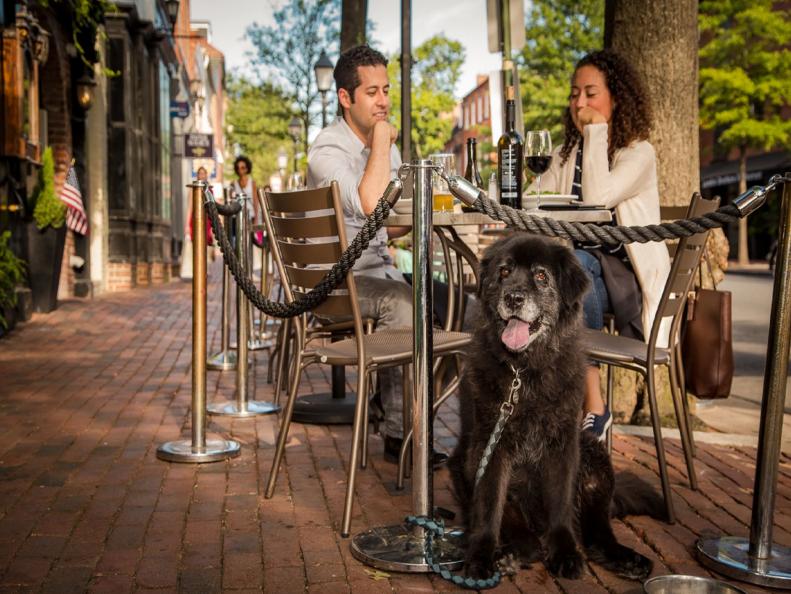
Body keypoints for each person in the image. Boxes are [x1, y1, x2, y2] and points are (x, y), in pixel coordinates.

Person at [307, 44, 446, 466]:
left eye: (386, 90)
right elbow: (371, 203)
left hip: (381, 273)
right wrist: (382, 141)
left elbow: (392, 225)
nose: (384, 101)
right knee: (405, 305)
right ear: (345, 98)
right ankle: (399, 436)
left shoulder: (385, 148)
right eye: (372, 92)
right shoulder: (326, 151)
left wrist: (431, 204)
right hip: (335, 284)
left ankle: (428, 421)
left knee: (464, 307)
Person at [527, 50, 671, 441]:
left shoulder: (638, 153)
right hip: (579, 278)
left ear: (617, 98)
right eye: (575, 94)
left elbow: (598, 196)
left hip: (625, 280)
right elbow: (536, 202)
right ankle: (569, 407)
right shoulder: (568, 152)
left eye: (590, 93)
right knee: (550, 278)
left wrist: (595, 131)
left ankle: (590, 403)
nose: (579, 104)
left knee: (574, 269)